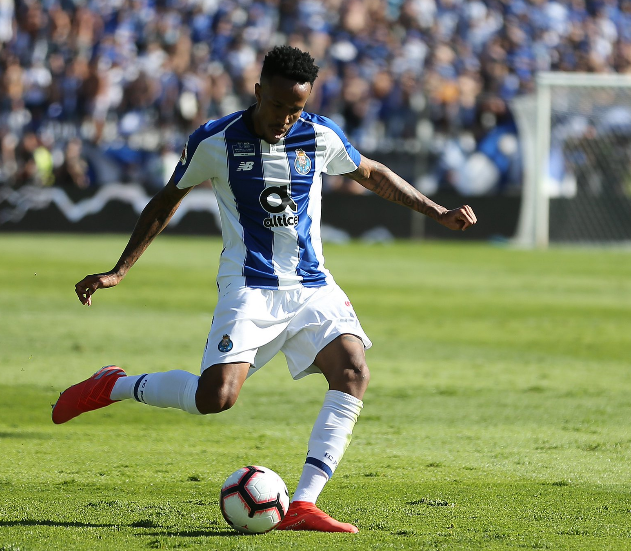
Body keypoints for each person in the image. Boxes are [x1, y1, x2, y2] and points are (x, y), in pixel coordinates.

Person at [51, 46, 477, 533]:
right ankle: (113, 384)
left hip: (312, 285)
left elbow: (371, 174)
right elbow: (166, 200)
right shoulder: (215, 140)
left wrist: (437, 212)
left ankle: (303, 504)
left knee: (353, 370)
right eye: (277, 106)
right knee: (216, 397)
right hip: (249, 286)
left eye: (296, 108)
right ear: (258, 92)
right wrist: (119, 270)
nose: (285, 119)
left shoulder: (318, 135)